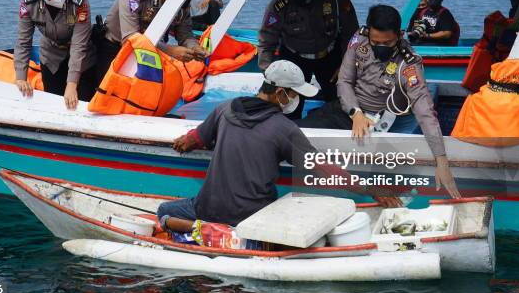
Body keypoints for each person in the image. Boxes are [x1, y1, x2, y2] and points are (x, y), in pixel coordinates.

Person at [156, 60, 402, 232]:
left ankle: (196, 228)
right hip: (251, 215)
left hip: (206, 208)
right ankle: (222, 232)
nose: (296, 99)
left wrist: (185, 140)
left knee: (164, 210)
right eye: (294, 94)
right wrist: (372, 189)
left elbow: (195, 138)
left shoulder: (225, 109)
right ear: (281, 93)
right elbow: (325, 170)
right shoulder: (284, 129)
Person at [296, 5, 461, 199]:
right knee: (298, 132)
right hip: (349, 109)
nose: (380, 47)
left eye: (388, 42)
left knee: (389, 178)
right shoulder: (359, 40)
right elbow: (345, 80)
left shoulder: (409, 64)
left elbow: (424, 110)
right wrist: (355, 112)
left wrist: (441, 162)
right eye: (375, 42)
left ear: (399, 35)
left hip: (380, 120)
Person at [95, 0, 207, 84]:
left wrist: (195, 48)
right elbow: (130, 39)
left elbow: (185, 34)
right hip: (116, 49)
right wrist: (170, 51)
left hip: (152, 51)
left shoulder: (183, 2)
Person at [258, 0, 359, 118]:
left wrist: (345, 65)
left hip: (329, 55)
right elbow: (266, 40)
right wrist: (269, 73)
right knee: (289, 108)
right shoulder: (280, 3)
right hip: (293, 58)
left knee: (340, 103)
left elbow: (351, 33)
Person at [15, 0, 97, 109]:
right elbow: (23, 42)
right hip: (51, 57)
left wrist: (71, 85)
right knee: (53, 103)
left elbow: (79, 46)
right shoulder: (29, 5)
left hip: (82, 60)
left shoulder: (79, 3)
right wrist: (21, 78)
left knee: (82, 103)